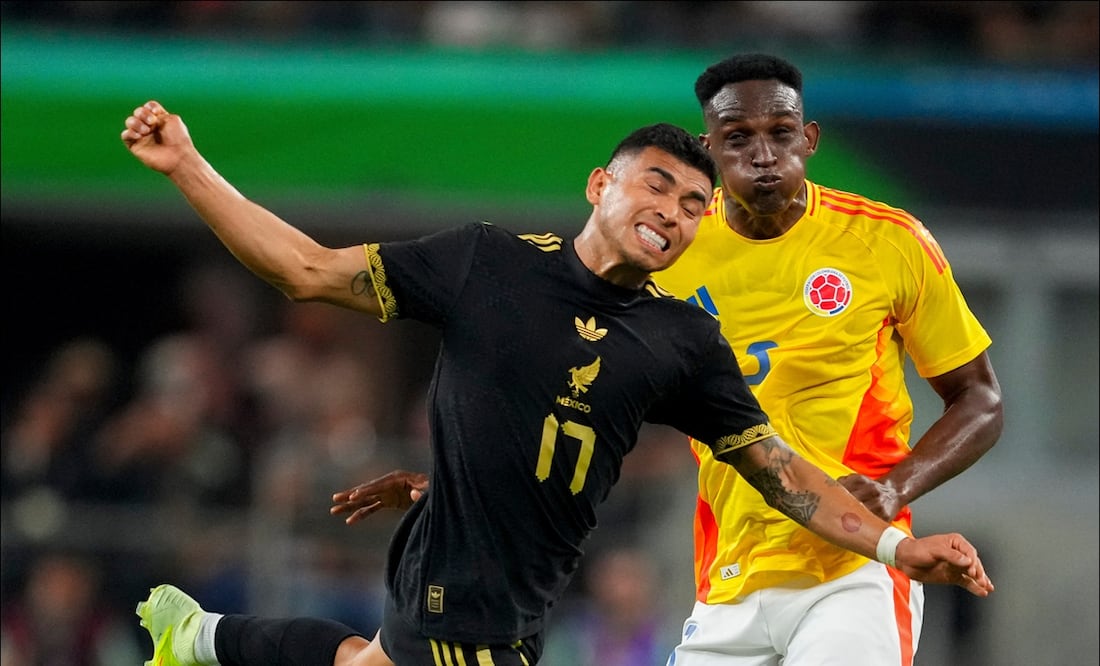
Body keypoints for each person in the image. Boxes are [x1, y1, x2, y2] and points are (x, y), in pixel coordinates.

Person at [121, 100, 993, 666]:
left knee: (367, 665)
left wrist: (895, 546)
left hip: (526, 591)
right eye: (657, 186)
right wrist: (189, 166)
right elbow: (307, 268)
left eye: (695, 205)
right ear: (599, 185)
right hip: (463, 592)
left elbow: (783, 472)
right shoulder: (484, 263)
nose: (674, 213)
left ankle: (200, 636)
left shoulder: (681, 338)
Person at [652, 53, 1005, 665]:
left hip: (854, 571)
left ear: (808, 139)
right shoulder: (671, 253)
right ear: (709, 151)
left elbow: (981, 399)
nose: (763, 154)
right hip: (727, 579)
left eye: (781, 134)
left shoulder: (887, 242)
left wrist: (896, 488)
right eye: (738, 138)